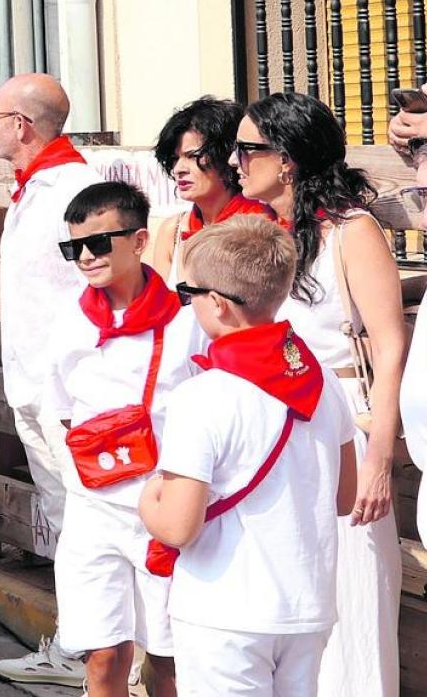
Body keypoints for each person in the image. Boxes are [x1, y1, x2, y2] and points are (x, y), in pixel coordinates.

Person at [140, 217, 356, 697]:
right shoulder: (322, 381)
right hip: (305, 605)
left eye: (187, 293)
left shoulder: (203, 396)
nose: (187, 304)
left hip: (226, 608)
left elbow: (177, 525)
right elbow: (345, 498)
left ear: (217, 303)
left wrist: (147, 498)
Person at [234, 92, 403, 696]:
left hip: (341, 432)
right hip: (269, 437)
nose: (234, 162)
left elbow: (390, 347)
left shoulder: (351, 232)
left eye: (247, 149)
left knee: (351, 596)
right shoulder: (257, 234)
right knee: (285, 596)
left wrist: (378, 461)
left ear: (288, 159)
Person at [44, 182, 200, 697]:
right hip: (93, 506)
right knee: (104, 654)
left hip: (164, 505)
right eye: (74, 248)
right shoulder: (68, 317)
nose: (85, 257)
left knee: (171, 658)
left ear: (137, 241)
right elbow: (62, 410)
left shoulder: (186, 318)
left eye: (99, 243)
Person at [0, 73, 100, 686]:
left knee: (85, 519)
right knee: (64, 517)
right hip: (33, 384)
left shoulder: (73, 188)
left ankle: (96, 652)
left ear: (21, 124)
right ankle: (79, 646)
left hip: (69, 390)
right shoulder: (36, 186)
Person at [147, 97, 267, 282]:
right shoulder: (173, 230)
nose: (179, 169)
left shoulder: (262, 225)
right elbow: (162, 307)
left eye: (192, 156)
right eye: (174, 159)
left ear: (227, 156)